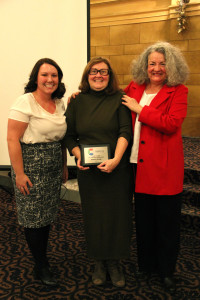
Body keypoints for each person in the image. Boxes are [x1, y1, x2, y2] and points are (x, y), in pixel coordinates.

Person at [121, 41, 189, 293]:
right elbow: (112, 98)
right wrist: (81, 94)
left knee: (167, 223)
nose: (156, 68)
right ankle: (146, 264)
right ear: (145, 66)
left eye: (162, 63)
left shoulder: (179, 91)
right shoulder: (135, 86)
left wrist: (141, 109)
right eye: (152, 63)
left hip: (164, 168)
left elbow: (171, 123)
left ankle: (166, 270)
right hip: (137, 164)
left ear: (171, 66)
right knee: (144, 220)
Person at [63, 57, 133, 287]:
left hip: (116, 169)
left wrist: (116, 160)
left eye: (104, 71)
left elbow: (125, 132)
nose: (99, 75)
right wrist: (77, 154)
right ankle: (99, 262)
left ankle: (114, 262)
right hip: (89, 172)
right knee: (94, 217)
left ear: (110, 75)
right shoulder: (77, 101)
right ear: (87, 75)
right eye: (94, 71)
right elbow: (69, 135)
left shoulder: (119, 99)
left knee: (117, 216)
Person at [7, 58, 68, 286]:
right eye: (45, 75)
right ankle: (40, 264)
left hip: (52, 166)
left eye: (54, 75)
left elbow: (60, 139)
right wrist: (19, 174)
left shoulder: (60, 103)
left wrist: (63, 165)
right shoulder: (25, 102)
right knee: (33, 219)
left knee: (46, 216)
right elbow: (12, 139)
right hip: (30, 166)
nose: (50, 80)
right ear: (36, 78)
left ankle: (41, 258)